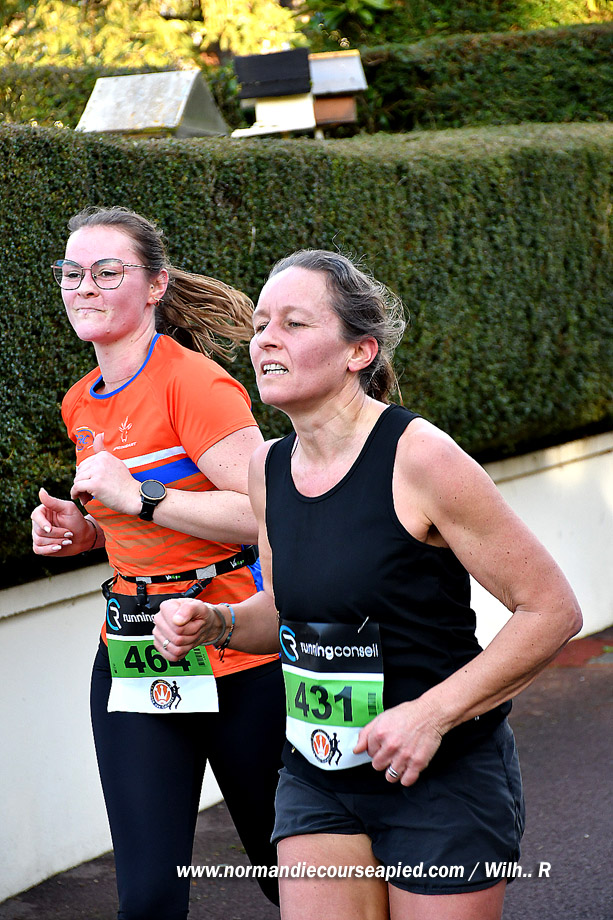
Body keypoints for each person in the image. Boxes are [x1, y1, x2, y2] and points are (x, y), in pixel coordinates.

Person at [152, 249, 582, 920]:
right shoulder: (267, 469)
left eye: (293, 323)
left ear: (359, 352)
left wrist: (430, 715)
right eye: (261, 325)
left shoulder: (419, 457)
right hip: (317, 774)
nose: (265, 339)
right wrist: (219, 622)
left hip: (439, 776)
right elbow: (289, 612)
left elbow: (550, 610)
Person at [31, 206, 286, 919]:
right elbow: (139, 528)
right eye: (72, 272)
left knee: (291, 874)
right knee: (147, 899)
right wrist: (83, 532)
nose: (84, 286)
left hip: (236, 648)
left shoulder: (194, 384)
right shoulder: (80, 402)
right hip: (135, 647)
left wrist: (140, 497)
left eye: (107, 271)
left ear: (154, 286)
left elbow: (267, 513)